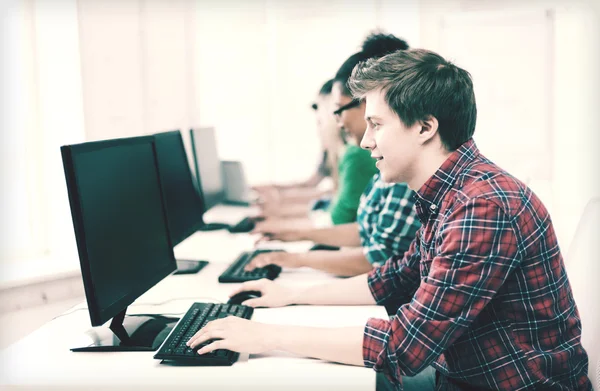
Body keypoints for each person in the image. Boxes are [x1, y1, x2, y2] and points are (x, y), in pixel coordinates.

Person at [188, 48, 592, 390]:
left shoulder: (481, 206)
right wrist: (289, 295)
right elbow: (394, 278)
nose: (365, 141)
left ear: (425, 128)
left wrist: (264, 336)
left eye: (376, 124)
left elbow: (404, 348)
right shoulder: (452, 194)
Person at [252, 32, 410, 235]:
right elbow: (369, 238)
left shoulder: (363, 157)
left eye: (337, 111)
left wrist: (286, 231)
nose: (336, 122)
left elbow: (361, 239)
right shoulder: (384, 162)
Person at [255, 79, 344, 220]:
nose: (319, 128)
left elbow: (330, 197)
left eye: (321, 120)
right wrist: (274, 191)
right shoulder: (329, 151)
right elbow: (310, 184)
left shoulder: (352, 153)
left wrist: (279, 203)